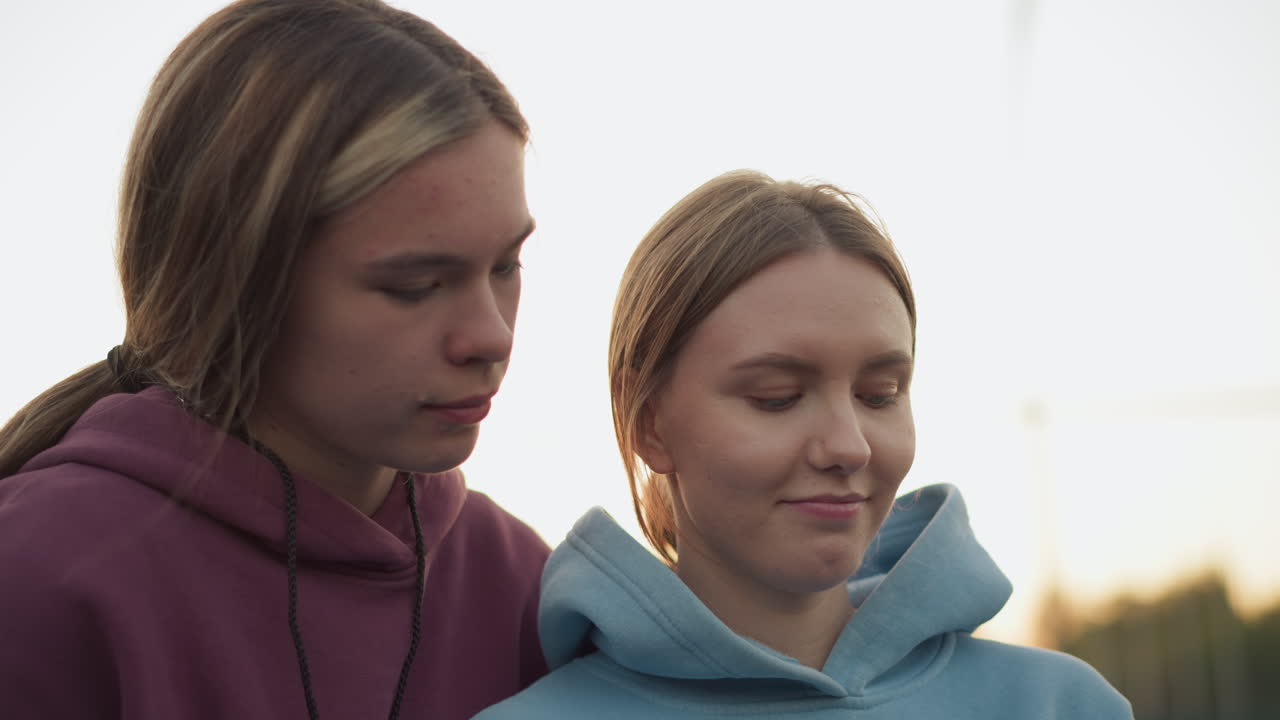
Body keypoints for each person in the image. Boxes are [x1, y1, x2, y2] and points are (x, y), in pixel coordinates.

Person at [0, 1, 549, 718]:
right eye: (413, 286)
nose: (490, 335)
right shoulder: (38, 577)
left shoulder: (525, 587)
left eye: (505, 266)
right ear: (238, 280)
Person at [474, 171, 1133, 719]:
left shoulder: (1059, 705)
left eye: (879, 395)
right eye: (776, 398)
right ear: (651, 424)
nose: (848, 446)